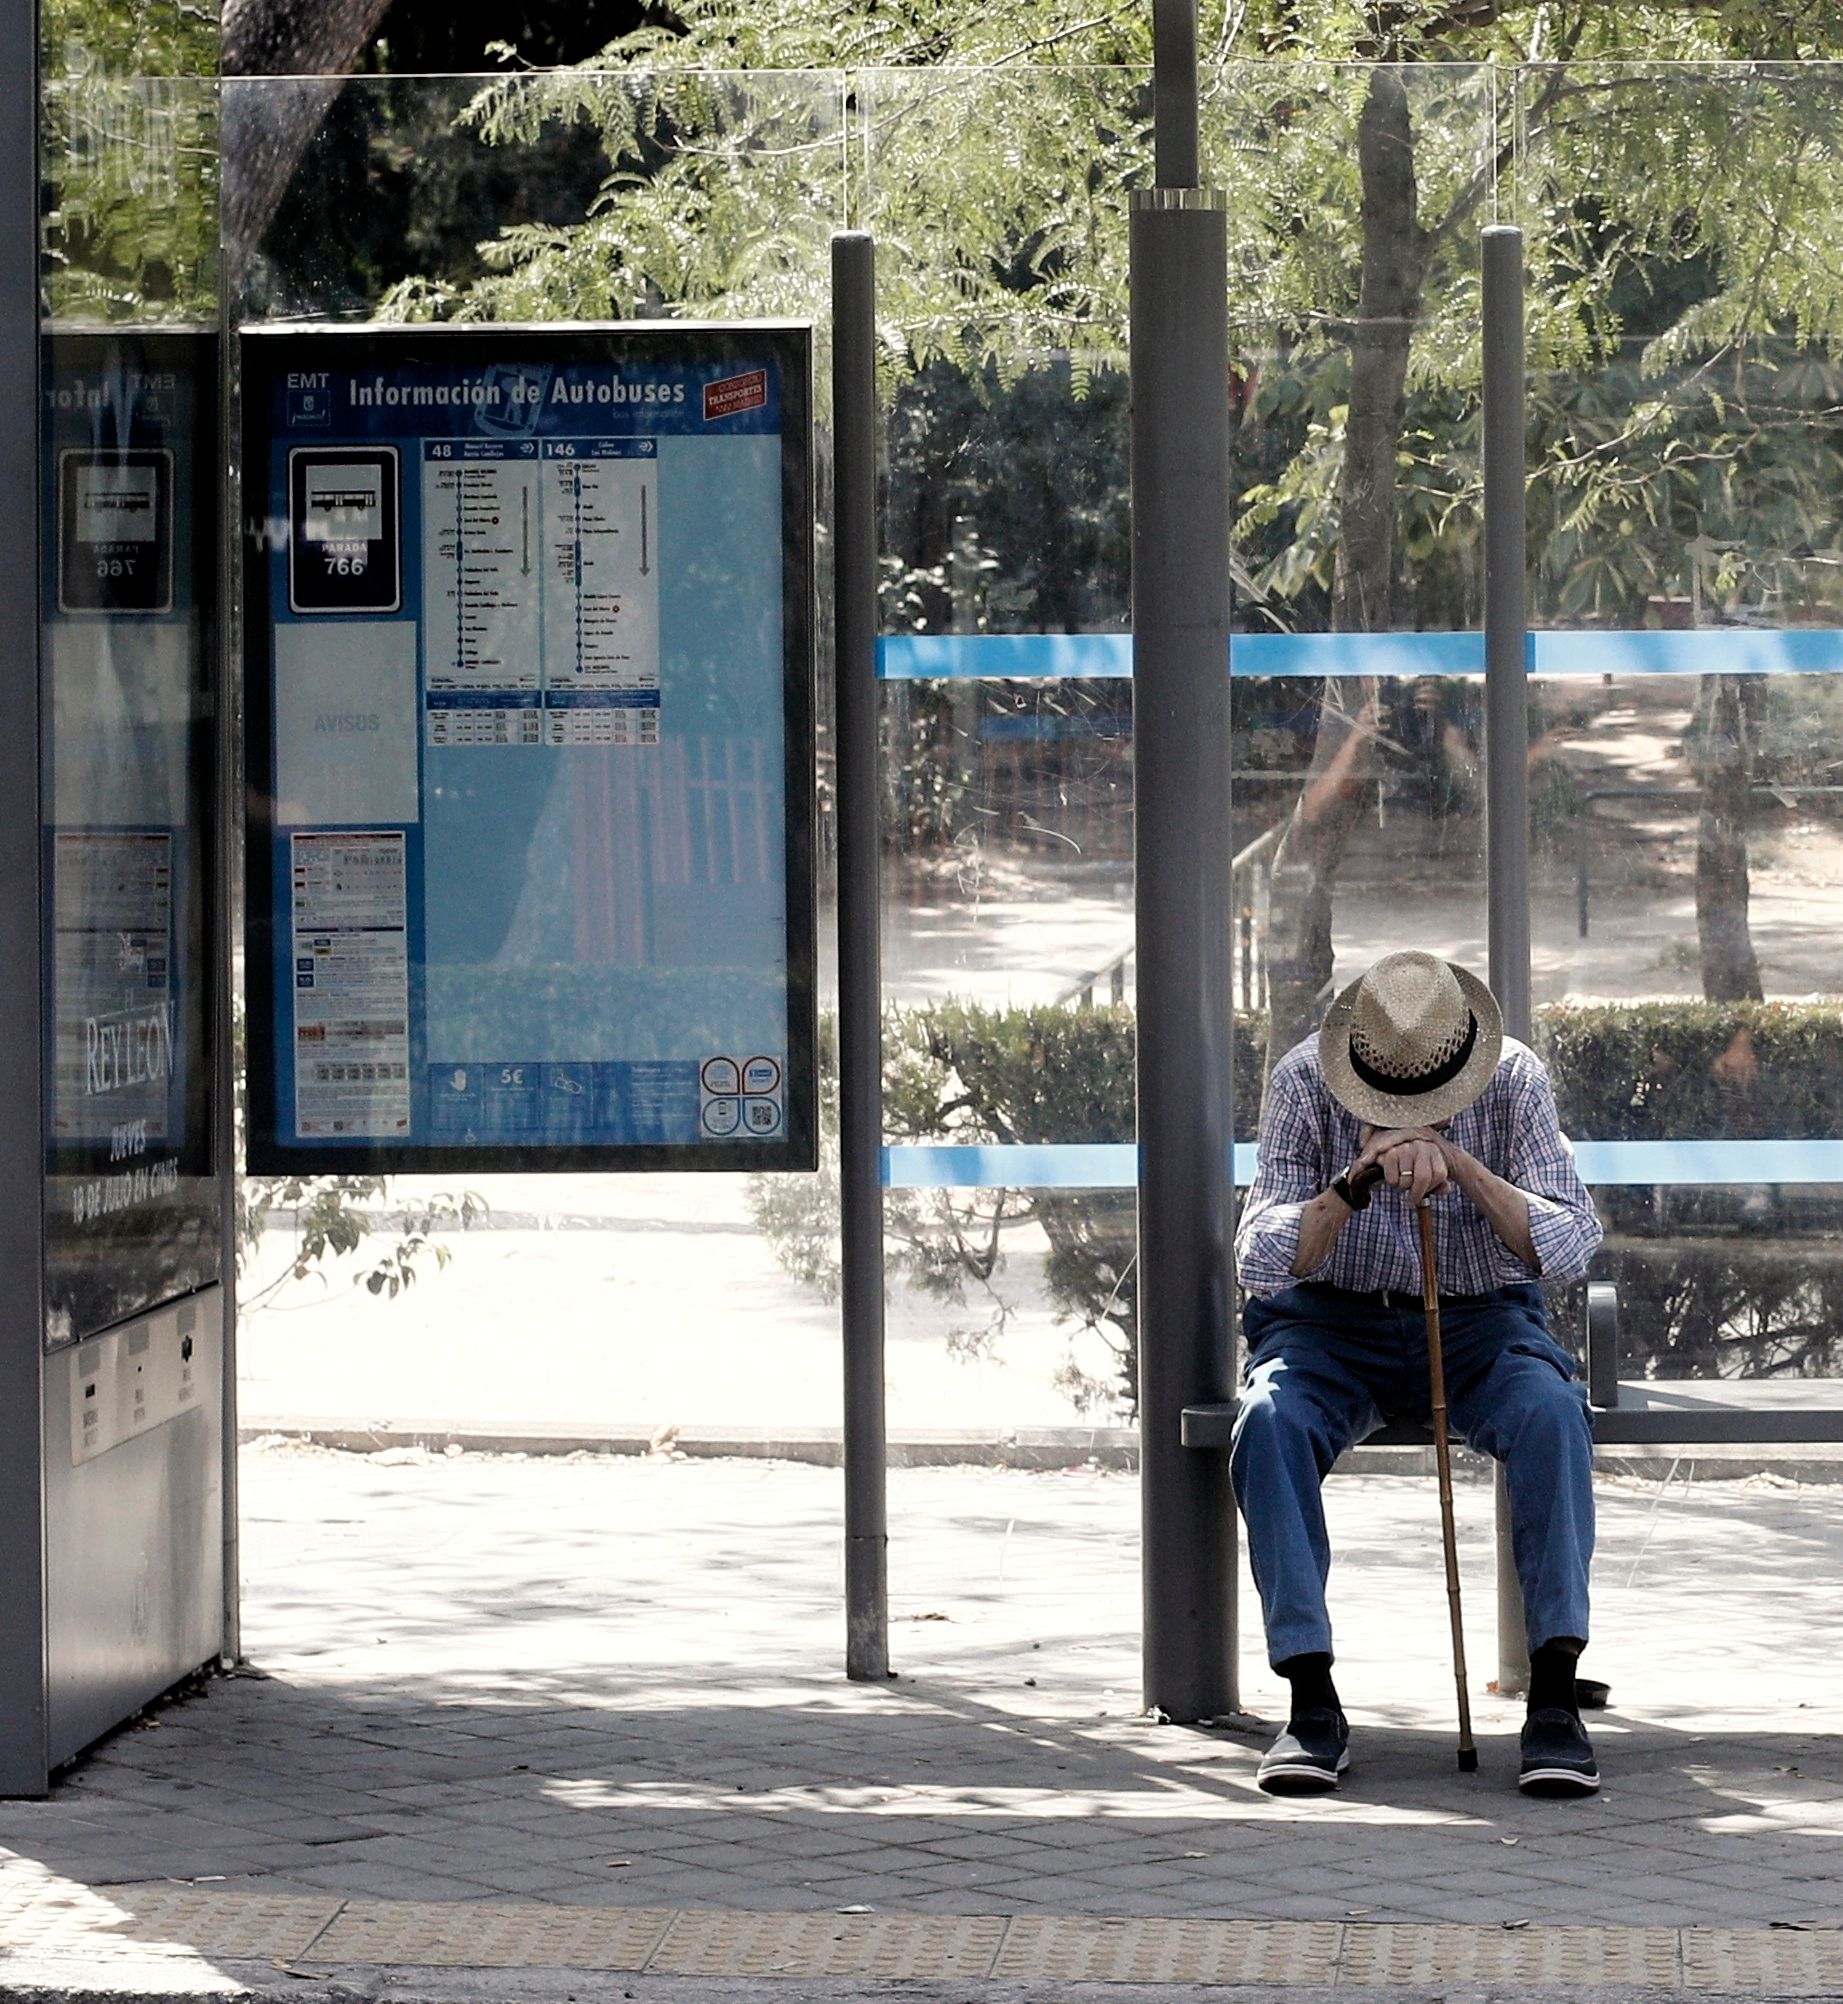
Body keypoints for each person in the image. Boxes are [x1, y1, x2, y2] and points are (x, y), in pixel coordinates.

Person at [1232, 949, 1604, 1798]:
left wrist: (1459, 1165)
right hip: (1328, 1326)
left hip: (1481, 1323)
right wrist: (1352, 1183)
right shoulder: (1302, 1081)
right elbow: (1259, 1258)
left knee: (1551, 1413)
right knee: (1269, 1421)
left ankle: (1554, 1697)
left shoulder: (1513, 1079)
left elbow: (1569, 1242)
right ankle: (1310, 1698)